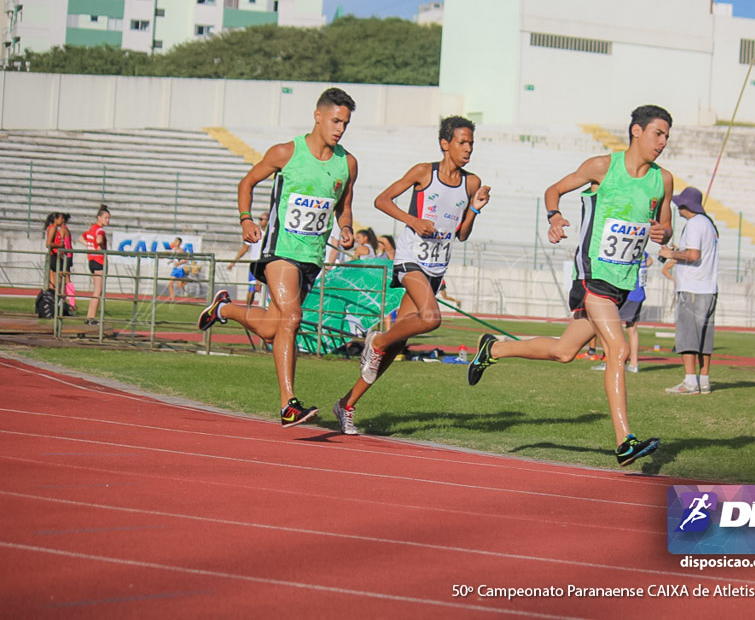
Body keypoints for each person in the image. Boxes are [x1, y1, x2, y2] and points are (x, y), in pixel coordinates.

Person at [467, 105, 675, 467]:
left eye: (668, 136)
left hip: (623, 281)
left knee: (564, 351)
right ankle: (625, 440)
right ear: (637, 132)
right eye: (658, 133)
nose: (663, 141)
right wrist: (555, 216)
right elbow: (554, 190)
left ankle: (494, 350)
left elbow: (665, 223)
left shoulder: (663, 180)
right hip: (593, 276)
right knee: (619, 349)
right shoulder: (602, 167)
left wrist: (664, 232)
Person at [197, 87, 358, 428]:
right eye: (335, 120)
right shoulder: (287, 152)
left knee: (273, 328)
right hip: (279, 249)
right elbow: (247, 182)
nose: (340, 128)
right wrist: (245, 218)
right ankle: (289, 405)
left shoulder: (347, 163)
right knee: (293, 316)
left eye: (345, 123)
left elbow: (345, 205)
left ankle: (222, 308)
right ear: (318, 116)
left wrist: (346, 228)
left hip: (311, 256)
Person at [332, 115, 490, 435]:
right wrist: (413, 220)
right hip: (410, 259)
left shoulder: (471, 183)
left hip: (436, 267)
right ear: (445, 144)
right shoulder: (423, 172)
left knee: (397, 345)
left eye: (471, 142)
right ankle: (376, 340)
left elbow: (461, 235)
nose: (468, 148)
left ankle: (346, 404)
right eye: (462, 142)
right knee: (431, 318)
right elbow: (382, 200)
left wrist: (475, 209)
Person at [661, 186, 719, 395]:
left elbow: (694, 255)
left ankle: (690, 383)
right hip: (709, 288)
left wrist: (671, 254)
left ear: (687, 205)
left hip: (693, 288)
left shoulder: (694, 224)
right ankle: (704, 381)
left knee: (688, 337)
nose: (677, 207)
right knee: (704, 339)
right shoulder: (709, 224)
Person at [593, 251, 651, 374]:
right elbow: (649, 260)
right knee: (632, 329)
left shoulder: (628, 250)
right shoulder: (642, 252)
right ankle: (633, 363)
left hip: (626, 292)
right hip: (638, 292)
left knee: (612, 328)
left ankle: (613, 361)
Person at [227, 212, 269, 307]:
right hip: (254, 264)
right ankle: (248, 309)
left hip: (265, 264)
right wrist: (234, 262)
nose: (260, 221)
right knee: (252, 289)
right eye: (259, 219)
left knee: (265, 290)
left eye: (262, 219)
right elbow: (245, 248)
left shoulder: (270, 234)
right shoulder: (255, 231)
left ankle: (265, 310)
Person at [81, 204, 110, 325]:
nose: (107, 220)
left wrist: (90, 246)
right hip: (98, 261)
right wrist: (99, 245)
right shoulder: (99, 229)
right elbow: (98, 239)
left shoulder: (91, 228)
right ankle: (91, 318)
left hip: (91, 260)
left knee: (96, 290)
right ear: (99, 218)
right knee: (98, 291)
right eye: (106, 218)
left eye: (108, 218)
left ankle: (89, 316)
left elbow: (81, 238)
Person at [44, 212, 71, 291]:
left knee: (54, 282)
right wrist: (60, 245)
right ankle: (57, 300)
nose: (62, 220)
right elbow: (48, 244)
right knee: (58, 281)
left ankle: (53, 300)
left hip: (54, 256)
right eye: (61, 218)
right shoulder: (53, 228)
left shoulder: (53, 228)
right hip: (55, 256)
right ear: (55, 219)